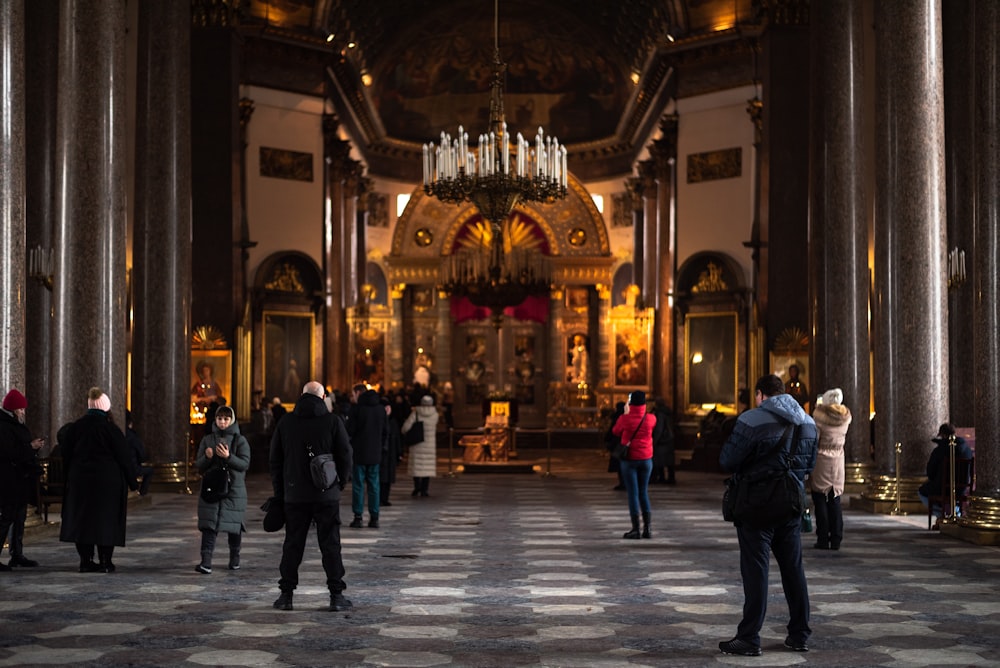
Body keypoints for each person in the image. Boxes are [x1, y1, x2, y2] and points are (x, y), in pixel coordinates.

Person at [718, 374, 818, 656]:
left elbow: (728, 460)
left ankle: (749, 637)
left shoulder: (752, 420)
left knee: (756, 570)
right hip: (791, 504)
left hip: (757, 504)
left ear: (761, 394)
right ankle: (799, 634)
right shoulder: (808, 422)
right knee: (793, 570)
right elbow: (810, 464)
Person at [269, 381, 354, 612]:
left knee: (293, 544)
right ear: (323, 396)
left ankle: (286, 595)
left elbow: (275, 460)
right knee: (331, 544)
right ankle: (336, 596)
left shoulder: (286, 422)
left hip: (295, 495)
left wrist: (281, 491)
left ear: (301, 396)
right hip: (326, 494)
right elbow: (346, 454)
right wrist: (340, 484)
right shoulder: (333, 421)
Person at [59, 388, 139, 573]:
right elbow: (124, 458)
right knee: (106, 521)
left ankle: (86, 561)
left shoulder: (76, 428)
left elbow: (66, 454)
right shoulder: (111, 430)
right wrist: (133, 483)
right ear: (106, 408)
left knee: (82, 521)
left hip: (80, 482)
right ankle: (105, 561)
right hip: (107, 484)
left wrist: (68, 479)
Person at [194, 405, 251, 573]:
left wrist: (228, 457)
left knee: (234, 525)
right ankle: (206, 561)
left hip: (234, 488)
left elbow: (244, 464)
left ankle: (235, 558)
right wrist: (207, 457)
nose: (222, 422)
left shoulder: (240, 440)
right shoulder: (207, 439)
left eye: (226, 419)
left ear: (231, 420)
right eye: (220, 419)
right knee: (209, 525)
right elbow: (199, 465)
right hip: (212, 487)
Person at [0, 389, 45, 569]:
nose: (23, 412)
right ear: (12, 408)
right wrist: (31, 446)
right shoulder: (4, 426)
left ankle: (16, 554)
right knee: (7, 517)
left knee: (19, 517)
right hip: (9, 479)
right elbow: (10, 452)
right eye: (21, 409)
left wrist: (31, 447)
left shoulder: (13, 424)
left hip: (19, 479)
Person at [810, 388, 852, 550]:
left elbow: (816, 439)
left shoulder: (819, 417)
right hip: (838, 459)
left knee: (820, 499)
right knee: (835, 499)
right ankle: (836, 537)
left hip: (822, 459)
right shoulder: (845, 417)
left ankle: (822, 537)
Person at [611, 390, 656, 539]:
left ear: (630, 403)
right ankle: (648, 529)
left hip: (629, 460)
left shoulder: (625, 419)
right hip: (646, 459)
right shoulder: (651, 418)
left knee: (633, 494)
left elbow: (615, 431)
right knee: (644, 492)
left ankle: (636, 529)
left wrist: (625, 413)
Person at [347, 388, 387, 529]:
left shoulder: (357, 409)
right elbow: (385, 431)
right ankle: (374, 518)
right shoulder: (381, 410)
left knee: (358, 485)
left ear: (359, 393)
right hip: (375, 452)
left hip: (359, 452)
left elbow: (350, 430)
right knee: (374, 485)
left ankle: (358, 517)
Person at [918, 423, 974, 523]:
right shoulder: (967, 450)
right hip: (962, 488)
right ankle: (955, 512)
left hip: (942, 487)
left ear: (943, 435)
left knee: (922, 491)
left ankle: (942, 515)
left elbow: (930, 472)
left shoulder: (940, 450)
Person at [402, 394, 439, 497]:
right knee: (427, 468)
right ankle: (425, 489)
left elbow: (405, 428)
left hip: (417, 443)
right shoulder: (435, 414)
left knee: (417, 467)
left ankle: (417, 487)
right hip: (429, 444)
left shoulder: (416, 413)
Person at [379, 396, 403, 507]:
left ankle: (385, 498)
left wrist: (399, 453)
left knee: (388, 478)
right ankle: (380, 498)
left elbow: (398, 439)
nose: (387, 409)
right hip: (381, 453)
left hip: (391, 454)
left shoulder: (393, 422)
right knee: (380, 477)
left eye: (389, 407)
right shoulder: (379, 421)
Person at [124, 410, 154, 496]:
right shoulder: (132, 436)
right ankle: (141, 493)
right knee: (149, 471)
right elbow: (141, 454)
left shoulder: (118, 432)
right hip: (132, 467)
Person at [649, 398, 676, 485]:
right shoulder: (668, 413)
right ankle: (671, 477)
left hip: (662, 440)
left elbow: (659, 429)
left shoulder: (660, 414)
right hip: (669, 440)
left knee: (659, 460)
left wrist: (654, 441)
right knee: (668, 460)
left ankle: (662, 477)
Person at [604, 402, 626, 491]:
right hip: (624, 442)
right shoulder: (625, 417)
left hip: (618, 443)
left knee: (620, 463)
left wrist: (607, 439)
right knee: (624, 463)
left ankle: (623, 483)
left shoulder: (617, 417)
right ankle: (626, 482)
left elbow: (613, 430)